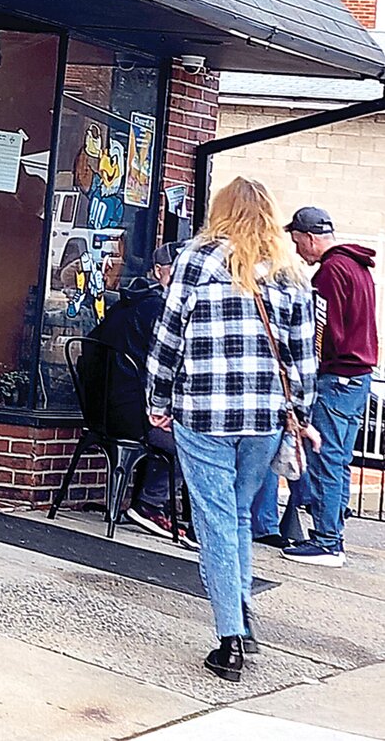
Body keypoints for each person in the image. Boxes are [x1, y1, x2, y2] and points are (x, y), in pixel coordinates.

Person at [146, 177, 318, 683]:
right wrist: (299, 419)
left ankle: (231, 638)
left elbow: (168, 335)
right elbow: (305, 359)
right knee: (238, 513)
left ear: (219, 212)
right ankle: (240, 612)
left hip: (204, 412)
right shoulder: (290, 274)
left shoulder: (197, 260)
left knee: (216, 519)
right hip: (264, 418)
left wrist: (157, 400)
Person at [282, 206, 378, 569]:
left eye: (297, 242)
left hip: (336, 376)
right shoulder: (358, 267)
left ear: (309, 237)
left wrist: (307, 373)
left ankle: (326, 541)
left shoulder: (330, 273)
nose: (297, 251)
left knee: (325, 457)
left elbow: (320, 334)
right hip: (358, 376)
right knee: (339, 459)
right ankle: (330, 534)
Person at [80, 245, 195, 548]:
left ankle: (156, 503)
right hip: (130, 416)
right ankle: (151, 505)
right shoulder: (158, 309)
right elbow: (171, 366)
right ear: (159, 272)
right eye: (178, 269)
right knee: (192, 443)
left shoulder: (127, 302)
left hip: (103, 411)